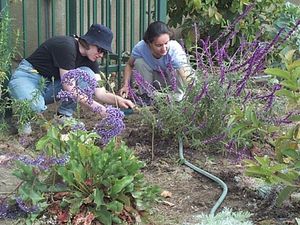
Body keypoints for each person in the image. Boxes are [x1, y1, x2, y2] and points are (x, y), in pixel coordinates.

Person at [8, 24, 134, 134]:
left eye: (104, 53)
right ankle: (23, 119)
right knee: (36, 106)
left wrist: (118, 100)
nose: (101, 55)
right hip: (28, 77)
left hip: (49, 85)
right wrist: (100, 109)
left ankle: (63, 117)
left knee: (87, 74)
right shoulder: (66, 46)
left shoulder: (91, 59)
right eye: (100, 49)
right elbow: (70, 89)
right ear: (89, 42)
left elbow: (100, 93)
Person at [119, 21, 193, 102]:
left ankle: (178, 98)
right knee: (139, 62)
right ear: (149, 43)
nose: (164, 48)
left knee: (177, 68)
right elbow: (129, 65)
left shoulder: (174, 49)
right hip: (158, 82)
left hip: (177, 81)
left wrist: (193, 92)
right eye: (159, 45)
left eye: (166, 43)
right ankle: (147, 95)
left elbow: (184, 74)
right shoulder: (141, 47)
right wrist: (125, 85)